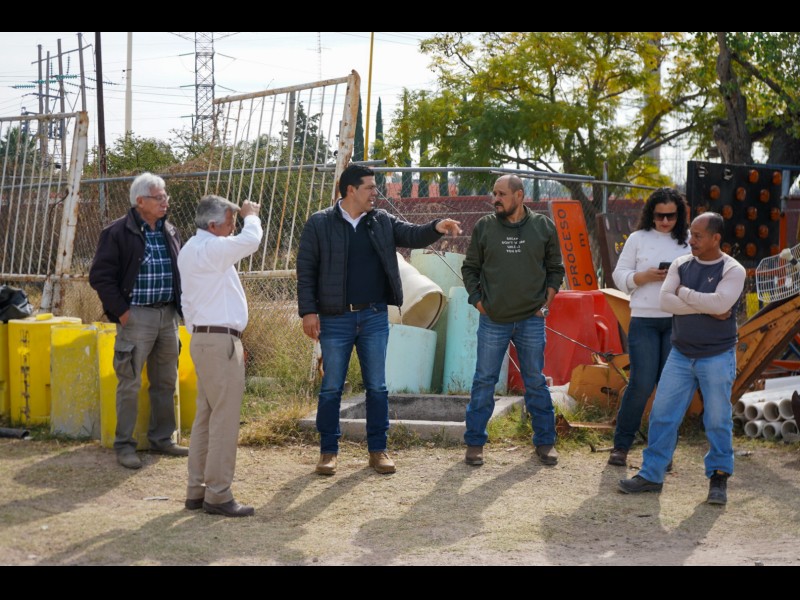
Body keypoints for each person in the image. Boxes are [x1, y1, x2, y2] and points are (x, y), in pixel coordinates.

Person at [297, 163, 462, 476]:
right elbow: (306, 270)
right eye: (370, 187)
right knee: (331, 387)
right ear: (351, 190)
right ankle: (328, 452)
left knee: (377, 387)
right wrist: (308, 311)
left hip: (373, 316)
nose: (376, 192)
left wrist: (436, 226)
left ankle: (378, 451)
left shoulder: (381, 221)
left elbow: (411, 234)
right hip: (335, 318)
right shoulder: (320, 223)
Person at [618, 212, 745, 505]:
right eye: (691, 235)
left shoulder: (732, 269)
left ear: (716, 238)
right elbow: (666, 301)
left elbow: (721, 304)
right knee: (662, 414)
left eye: (698, 236)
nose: (691, 240)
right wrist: (707, 306)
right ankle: (652, 474)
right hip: (681, 354)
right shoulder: (680, 264)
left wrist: (684, 293)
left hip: (717, 355)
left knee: (717, 419)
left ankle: (718, 477)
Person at [461, 174, 565, 467]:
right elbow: (470, 268)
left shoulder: (543, 226)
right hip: (494, 319)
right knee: (484, 380)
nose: (495, 199)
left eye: (502, 194)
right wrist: (479, 302)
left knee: (535, 380)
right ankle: (475, 443)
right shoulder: (485, 227)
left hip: (531, 318)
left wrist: (546, 303)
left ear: (519, 196)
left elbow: (555, 269)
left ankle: (545, 442)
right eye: (494, 193)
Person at [89, 172, 187, 469]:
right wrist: (123, 312)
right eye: (159, 197)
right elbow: (100, 277)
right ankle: (125, 445)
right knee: (129, 383)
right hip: (136, 316)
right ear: (140, 201)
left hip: (167, 315)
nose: (165, 201)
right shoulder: (117, 232)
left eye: (166, 196)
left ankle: (162, 439)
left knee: (165, 380)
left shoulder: (170, 230)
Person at [178, 196, 262, 517]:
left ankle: (197, 489)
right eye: (229, 223)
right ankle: (218, 494)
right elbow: (251, 240)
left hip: (202, 338)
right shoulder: (212, 249)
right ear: (212, 225)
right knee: (224, 420)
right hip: (219, 341)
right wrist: (251, 216)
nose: (232, 229)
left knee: (206, 416)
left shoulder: (191, 249)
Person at [608, 188, 691, 467]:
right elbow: (619, 275)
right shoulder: (638, 238)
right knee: (641, 384)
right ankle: (621, 446)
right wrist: (642, 277)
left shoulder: (688, 240)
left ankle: (662, 452)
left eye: (671, 216)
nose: (665, 221)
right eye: (659, 215)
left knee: (669, 389)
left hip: (677, 320)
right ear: (650, 214)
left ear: (679, 215)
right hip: (644, 319)